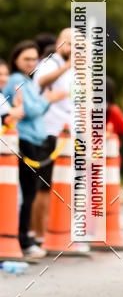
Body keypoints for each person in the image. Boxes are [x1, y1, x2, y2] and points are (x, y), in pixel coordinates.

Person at [3, 41, 67, 257]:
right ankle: (22, 238)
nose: (31, 63)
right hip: (24, 140)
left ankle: (24, 236)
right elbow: (30, 110)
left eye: (33, 59)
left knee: (28, 192)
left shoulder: (27, 81)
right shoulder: (16, 80)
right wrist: (48, 100)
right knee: (27, 192)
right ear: (16, 60)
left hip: (34, 141)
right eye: (26, 59)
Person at [31, 29, 72, 243]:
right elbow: (40, 81)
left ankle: (56, 231)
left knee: (62, 185)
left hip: (67, 133)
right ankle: (38, 234)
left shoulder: (74, 70)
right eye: (69, 44)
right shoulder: (52, 63)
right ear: (59, 43)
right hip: (49, 132)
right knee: (44, 186)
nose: (74, 49)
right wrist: (67, 65)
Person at [0, 59, 25, 124]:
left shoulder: (1, 97)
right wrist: (19, 103)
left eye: (6, 74)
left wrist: (16, 105)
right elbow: (17, 114)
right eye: (0, 74)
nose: (3, 78)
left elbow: (10, 122)